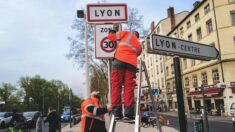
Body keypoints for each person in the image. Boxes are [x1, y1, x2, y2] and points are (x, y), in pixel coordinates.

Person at [107, 25, 142, 120]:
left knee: (116, 86)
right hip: (131, 65)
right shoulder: (139, 46)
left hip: (119, 61)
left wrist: (112, 32)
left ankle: (117, 113)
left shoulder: (126, 33)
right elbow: (137, 54)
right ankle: (129, 114)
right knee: (129, 89)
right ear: (137, 36)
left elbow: (111, 37)